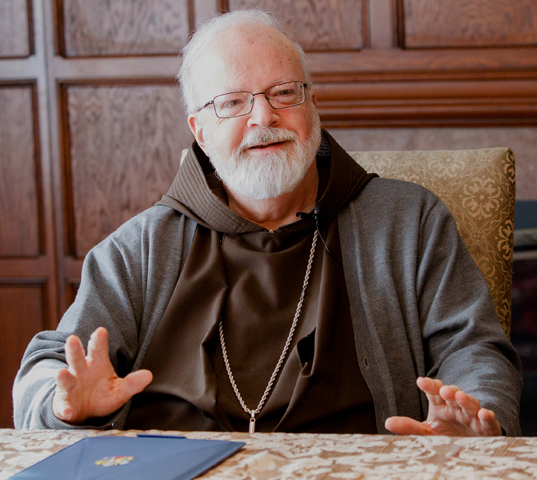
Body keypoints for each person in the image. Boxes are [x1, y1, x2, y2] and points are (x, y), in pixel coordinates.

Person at [14, 10, 522, 436]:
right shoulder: (143, 246)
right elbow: (55, 364)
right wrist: (61, 405)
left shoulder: (408, 220)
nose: (263, 117)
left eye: (283, 92)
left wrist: (475, 415)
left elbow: (473, 348)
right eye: (232, 102)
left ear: (313, 105)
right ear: (200, 129)